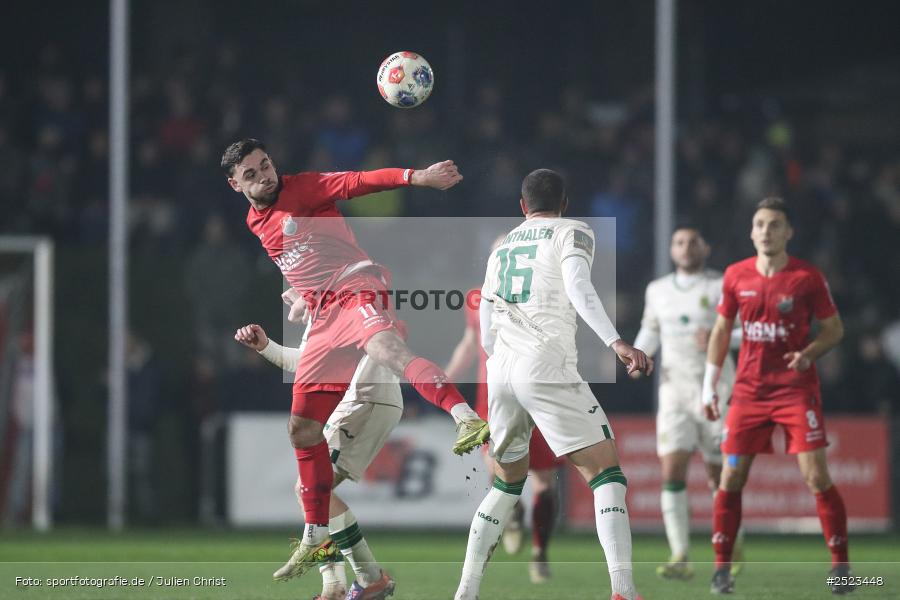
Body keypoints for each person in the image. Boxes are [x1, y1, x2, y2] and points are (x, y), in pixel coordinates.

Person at [221, 138, 489, 582]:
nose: (264, 175)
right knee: (301, 429)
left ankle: (464, 416)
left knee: (384, 347)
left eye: (265, 165)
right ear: (236, 185)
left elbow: (357, 182)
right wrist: (304, 295)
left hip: (355, 287)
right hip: (326, 313)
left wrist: (416, 177)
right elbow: (300, 257)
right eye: (251, 174)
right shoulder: (256, 222)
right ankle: (321, 543)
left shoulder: (304, 188)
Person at [454, 169, 651, 600]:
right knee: (607, 475)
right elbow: (578, 287)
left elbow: (486, 319)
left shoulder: (503, 245)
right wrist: (615, 341)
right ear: (565, 203)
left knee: (506, 485)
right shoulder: (572, 232)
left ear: (522, 207)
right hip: (547, 367)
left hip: (501, 371)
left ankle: (465, 592)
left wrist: (499, 358)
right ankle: (624, 591)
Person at [703, 197, 851, 595]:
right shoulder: (736, 276)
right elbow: (720, 332)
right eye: (760, 224)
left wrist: (809, 353)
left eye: (775, 224)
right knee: (731, 477)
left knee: (816, 476)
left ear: (789, 232)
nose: (766, 231)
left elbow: (834, 329)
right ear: (751, 231)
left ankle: (841, 566)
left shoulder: (807, 277)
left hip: (795, 391)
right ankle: (722, 570)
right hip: (748, 393)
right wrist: (709, 386)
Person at [235, 290, 402, 600]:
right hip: (364, 399)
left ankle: (364, 580)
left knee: (310, 490)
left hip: (365, 398)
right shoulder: (325, 310)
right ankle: (341, 586)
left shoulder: (340, 302)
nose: (286, 291)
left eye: (294, 280)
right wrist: (266, 346)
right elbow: (309, 363)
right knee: (312, 491)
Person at [632, 225, 741, 580]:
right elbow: (651, 329)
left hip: (716, 390)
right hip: (673, 392)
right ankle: (680, 553)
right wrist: (639, 357)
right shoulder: (658, 290)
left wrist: (719, 336)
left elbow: (747, 330)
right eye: (679, 242)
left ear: (705, 248)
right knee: (672, 471)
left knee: (718, 474)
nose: (686, 247)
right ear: (671, 250)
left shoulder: (722, 283)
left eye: (693, 241)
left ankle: (731, 544)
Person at [445, 283, 564, 584]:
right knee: (496, 468)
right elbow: (470, 342)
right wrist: (445, 381)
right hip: (494, 395)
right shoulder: (476, 297)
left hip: (538, 392)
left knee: (545, 478)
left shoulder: (543, 292)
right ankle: (513, 512)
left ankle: (540, 551)